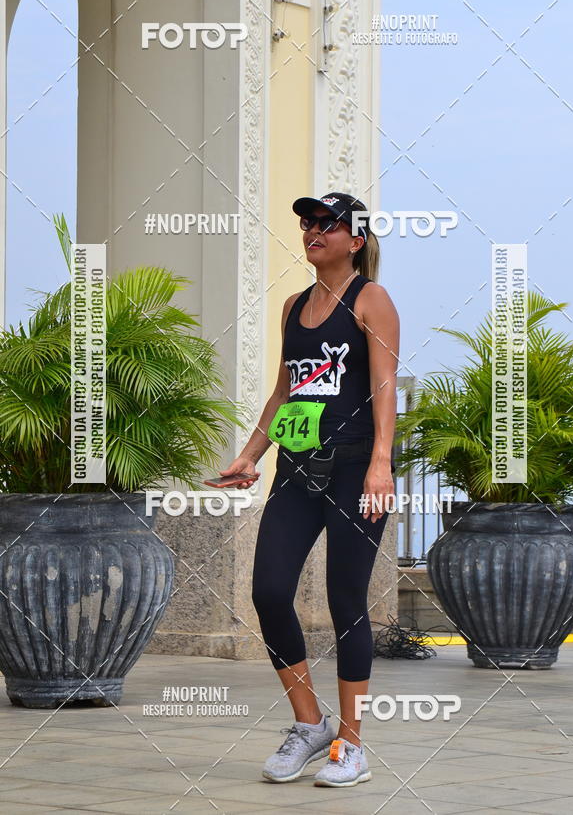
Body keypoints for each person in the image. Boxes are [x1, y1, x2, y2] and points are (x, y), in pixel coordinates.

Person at [218, 191, 400, 788]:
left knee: (346, 602)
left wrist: (380, 463)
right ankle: (310, 723)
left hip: (354, 472)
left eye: (327, 222)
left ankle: (351, 745)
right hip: (296, 468)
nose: (312, 229)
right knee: (269, 591)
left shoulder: (371, 299)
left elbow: (383, 386)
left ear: (356, 239)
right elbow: (283, 393)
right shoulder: (294, 305)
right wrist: (249, 455)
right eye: (306, 221)